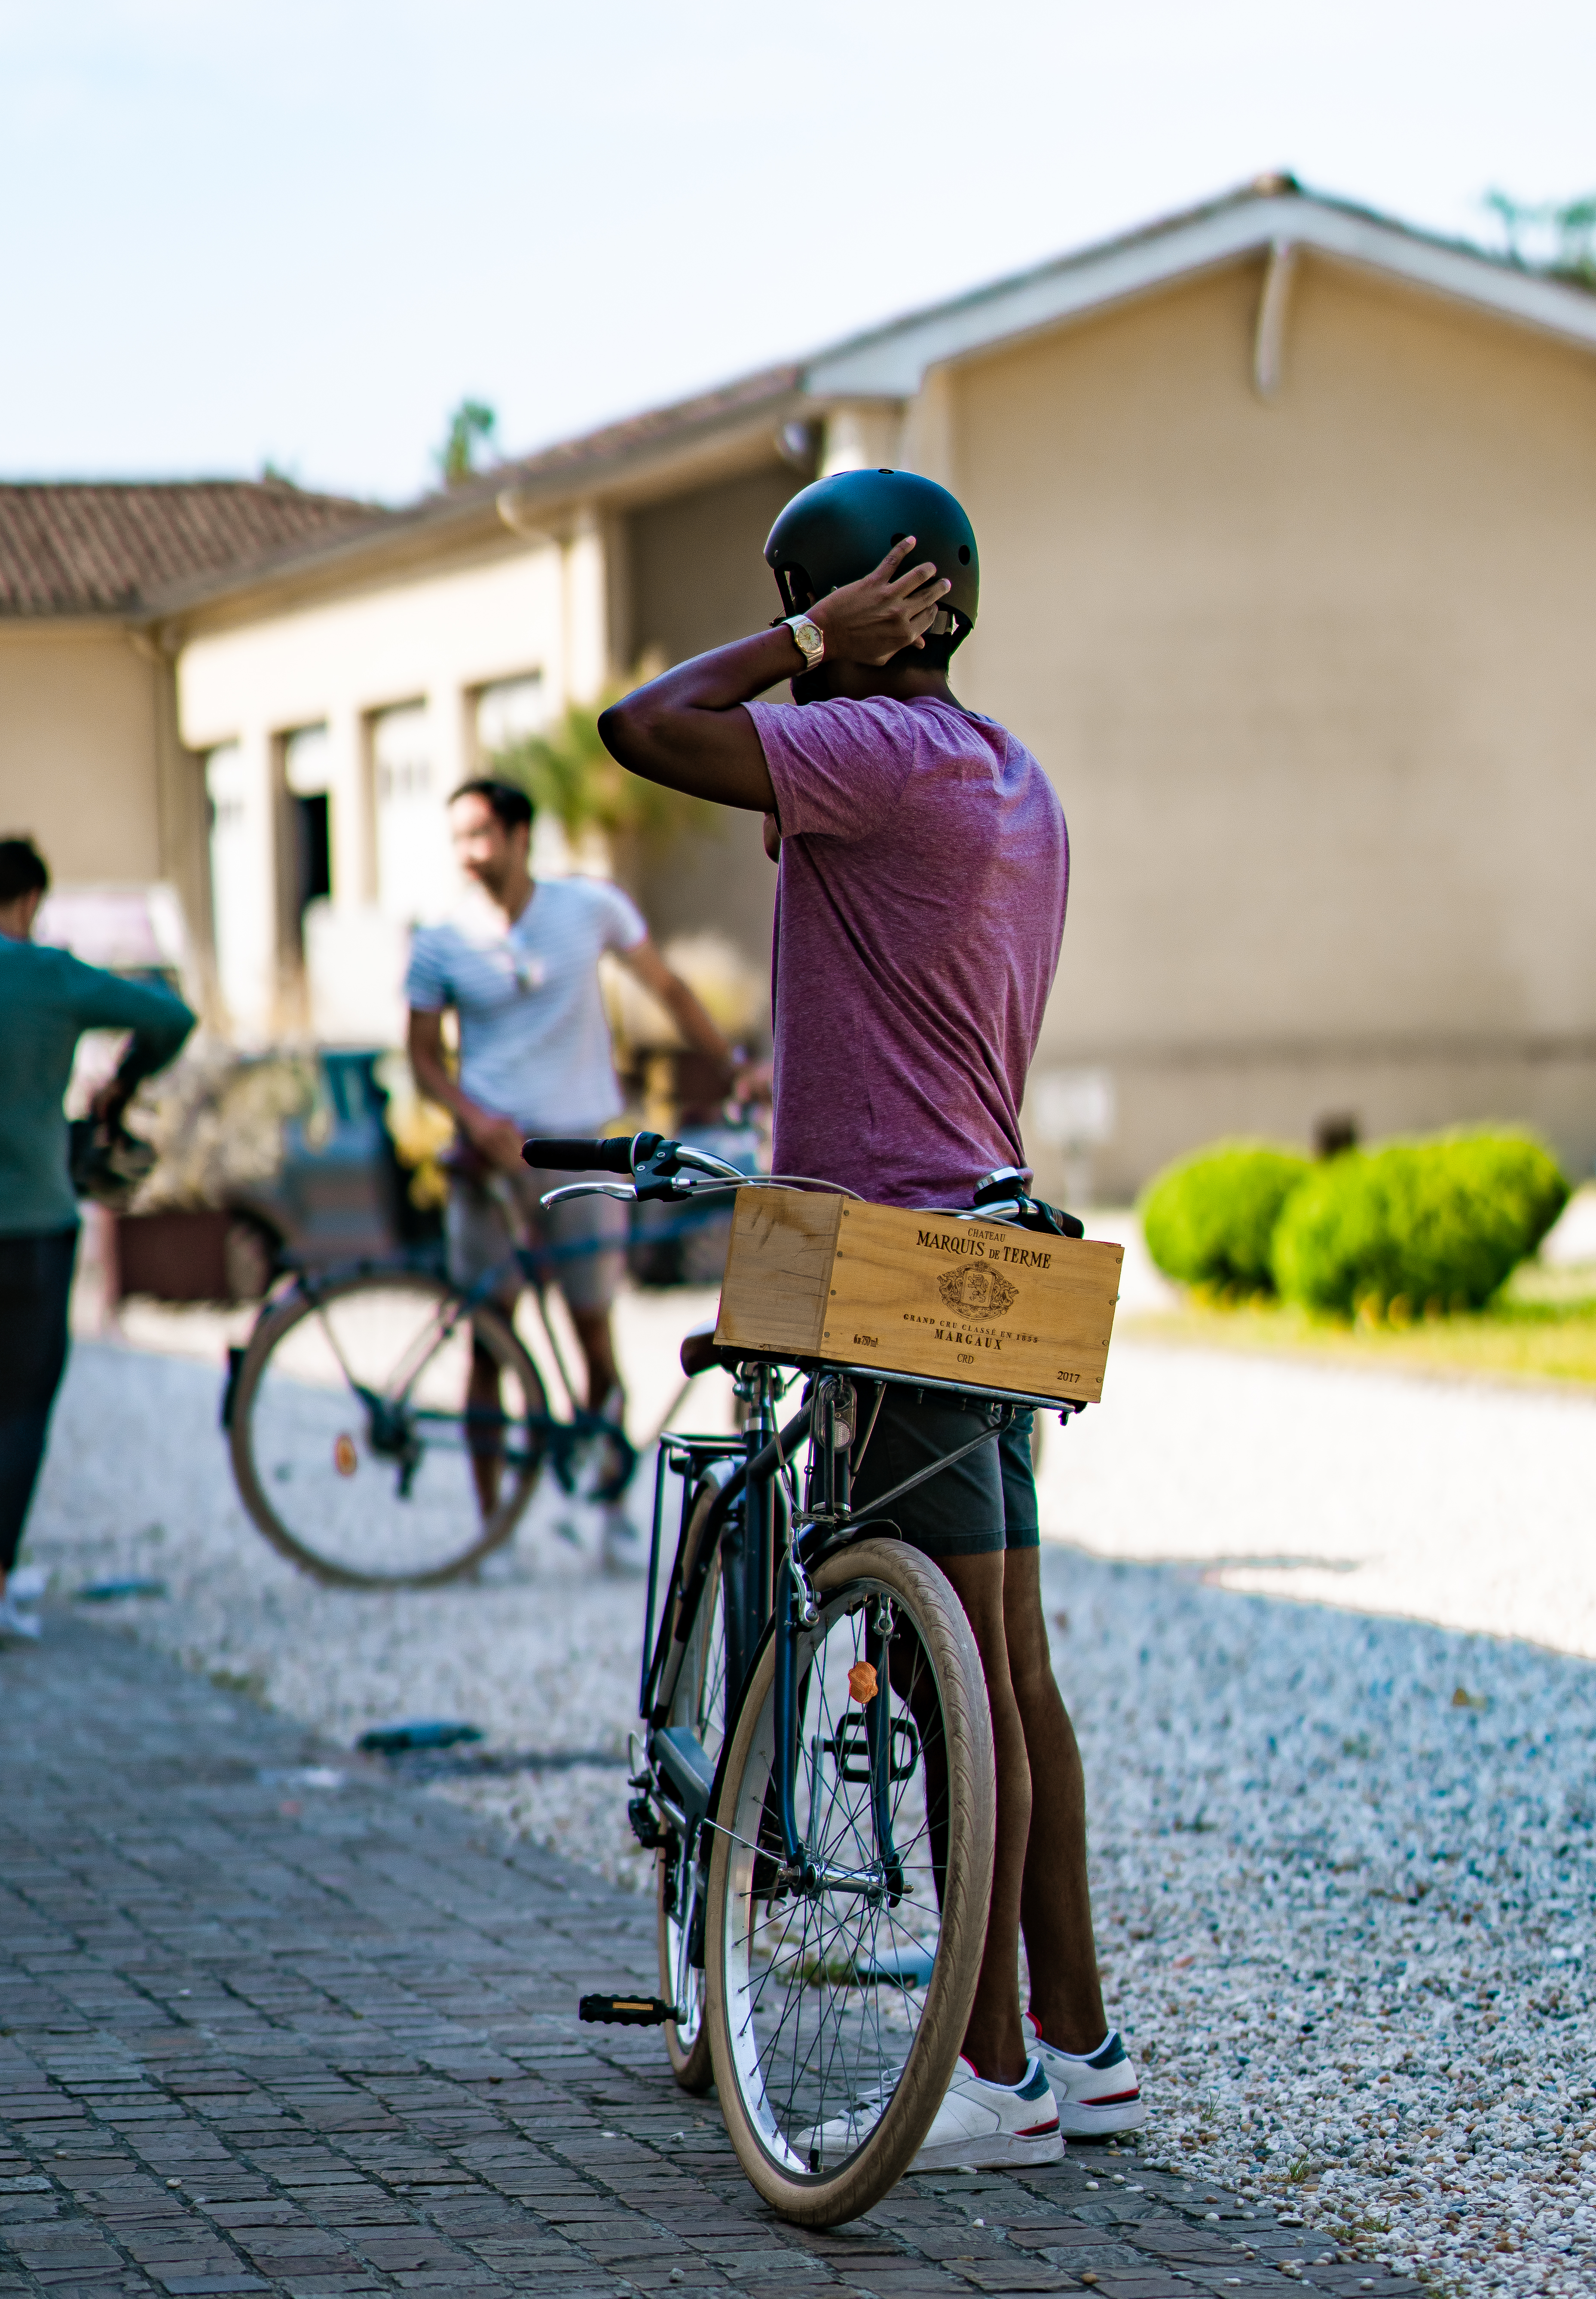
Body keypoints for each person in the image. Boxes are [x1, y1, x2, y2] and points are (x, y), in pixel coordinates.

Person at [598, 467, 1141, 2170]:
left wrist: (801, 640)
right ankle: (1082, 2038)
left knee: (947, 1675)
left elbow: (642, 722)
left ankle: (992, 2077)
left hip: (881, 1255)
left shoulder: (872, 756)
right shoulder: (1005, 770)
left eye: (803, 595)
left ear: (848, 600)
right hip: (992, 1229)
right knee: (1014, 1672)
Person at [404, 777, 742, 1554]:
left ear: (522, 835)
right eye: (458, 837)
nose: (469, 853)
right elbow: (422, 1058)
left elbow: (667, 986)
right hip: (489, 1158)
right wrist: (473, 1119)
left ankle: (606, 1507)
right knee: (489, 1342)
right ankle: (492, 1526)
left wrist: (731, 1066)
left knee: (595, 1331)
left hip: (578, 1151)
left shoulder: (588, 908)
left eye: (482, 834)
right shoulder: (441, 939)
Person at [0, 836, 196, 1646]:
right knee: (19, 1403)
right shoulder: (46, 973)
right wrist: (123, 1080)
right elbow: (170, 1016)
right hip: (27, 1225)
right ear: (28, 903)